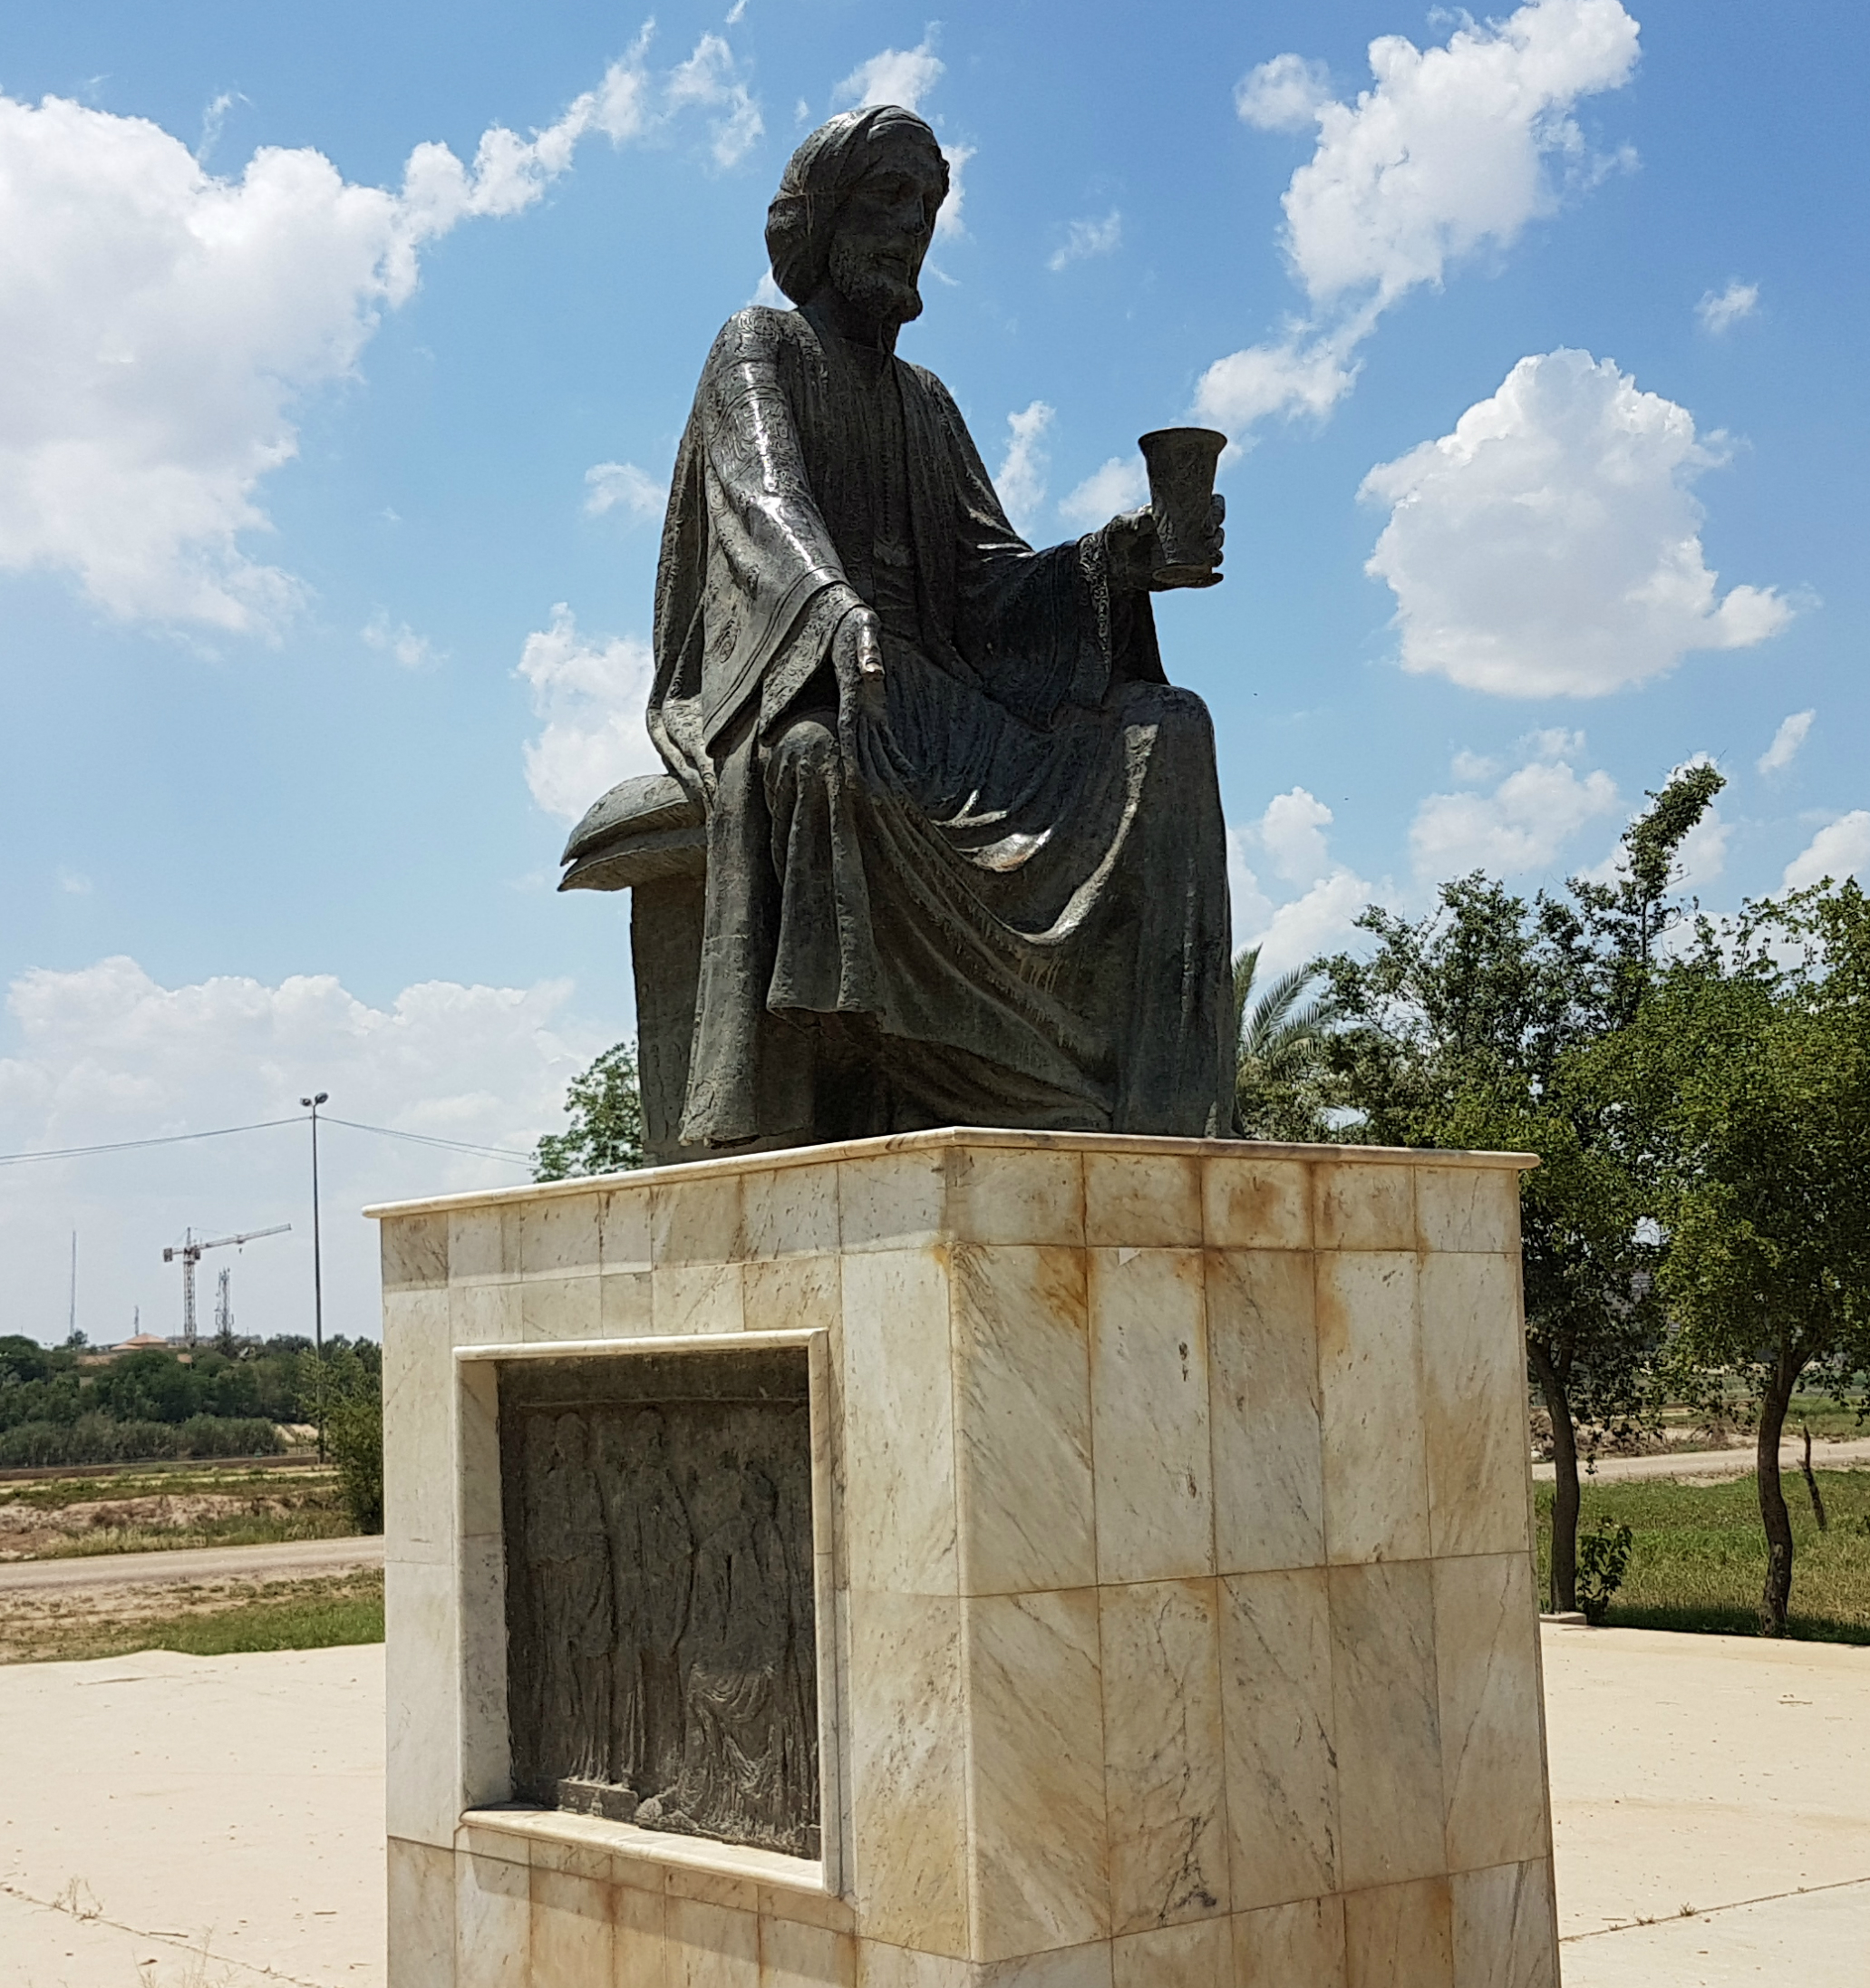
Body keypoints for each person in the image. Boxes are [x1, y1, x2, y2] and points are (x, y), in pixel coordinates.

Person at [648, 104, 1235, 1149]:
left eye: (925, 207)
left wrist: (1119, 560)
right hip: (806, 678)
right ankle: (962, 1081)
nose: (909, 226)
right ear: (819, 217)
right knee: (819, 760)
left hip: (938, 703)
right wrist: (832, 613)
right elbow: (760, 506)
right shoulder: (760, 346)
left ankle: (1162, 1105)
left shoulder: (928, 401)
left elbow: (988, 585)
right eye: (886, 199)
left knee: (1168, 729)